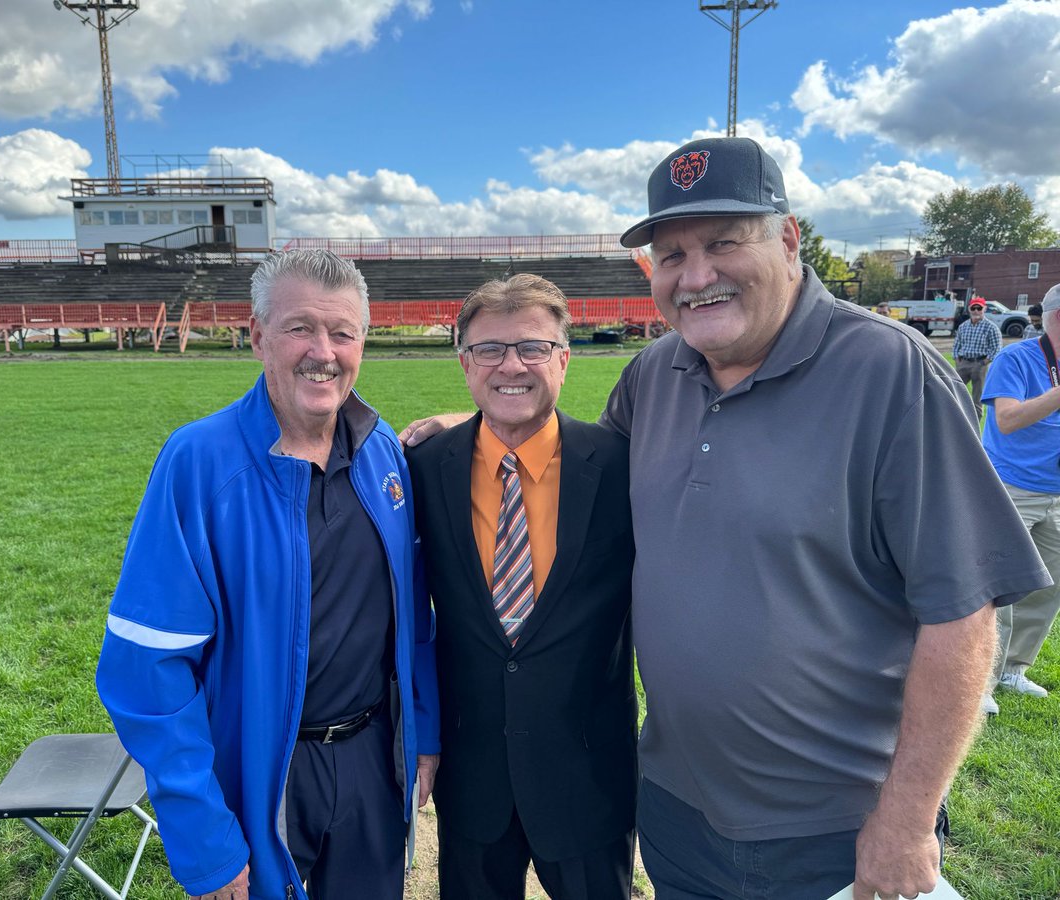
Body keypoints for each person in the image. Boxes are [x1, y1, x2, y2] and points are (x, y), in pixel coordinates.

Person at [400, 136, 1050, 900]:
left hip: (832, 829)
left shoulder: (889, 371)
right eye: (671, 255)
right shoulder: (656, 374)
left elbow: (963, 614)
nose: (697, 275)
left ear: (787, 237)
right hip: (677, 809)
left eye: (723, 243)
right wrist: (485, 427)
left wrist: (906, 823)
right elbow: (577, 473)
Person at [96, 249, 440, 900]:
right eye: (299, 328)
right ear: (257, 336)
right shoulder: (198, 463)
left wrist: (423, 731)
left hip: (372, 759)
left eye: (342, 333)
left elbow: (413, 614)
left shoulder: (382, 451)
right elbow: (147, 672)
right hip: (258, 772)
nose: (323, 352)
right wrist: (204, 836)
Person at [407, 275, 636, 900]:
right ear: (464, 363)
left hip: (588, 776)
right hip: (473, 776)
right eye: (489, 349)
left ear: (564, 359)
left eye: (532, 347)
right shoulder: (423, 469)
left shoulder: (621, 466)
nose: (512, 364)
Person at [979, 282, 1060, 712]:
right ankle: (983, 681)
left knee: (1049, 587)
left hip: (1057, 493)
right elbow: (1007, 420)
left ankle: (1013, 669)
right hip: (1012, 486)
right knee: (1002, 585)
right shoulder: (1016, 358)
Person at [952, 297, 1002, 416]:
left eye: (979, 308)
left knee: (977, 398)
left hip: (980, 364)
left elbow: (996, 349)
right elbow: (956, 345)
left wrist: (983, 362)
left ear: (984, 309)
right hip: (963, 362)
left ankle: (975, 427)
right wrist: (957, 360)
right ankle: (956, 416)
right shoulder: (963, 326)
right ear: (969, 309)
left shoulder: (991, 327)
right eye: (973, 308)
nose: (976, 311)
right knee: (953, 390)